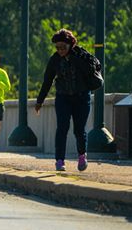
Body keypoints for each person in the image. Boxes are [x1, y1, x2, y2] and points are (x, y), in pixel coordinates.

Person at [35, 29, 100, 173]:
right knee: (62, 128)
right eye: (57, 47)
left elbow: (92, 71)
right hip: (63, 97)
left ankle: (82, 156)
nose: (60, 50)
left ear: (70, 45)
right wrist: (39, 101)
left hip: (82, 97)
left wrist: (76, 59)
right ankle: (60, 160)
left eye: (63, 47)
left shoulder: (80, 56)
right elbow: (47, 81)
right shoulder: (55, 60)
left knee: (79, 129)